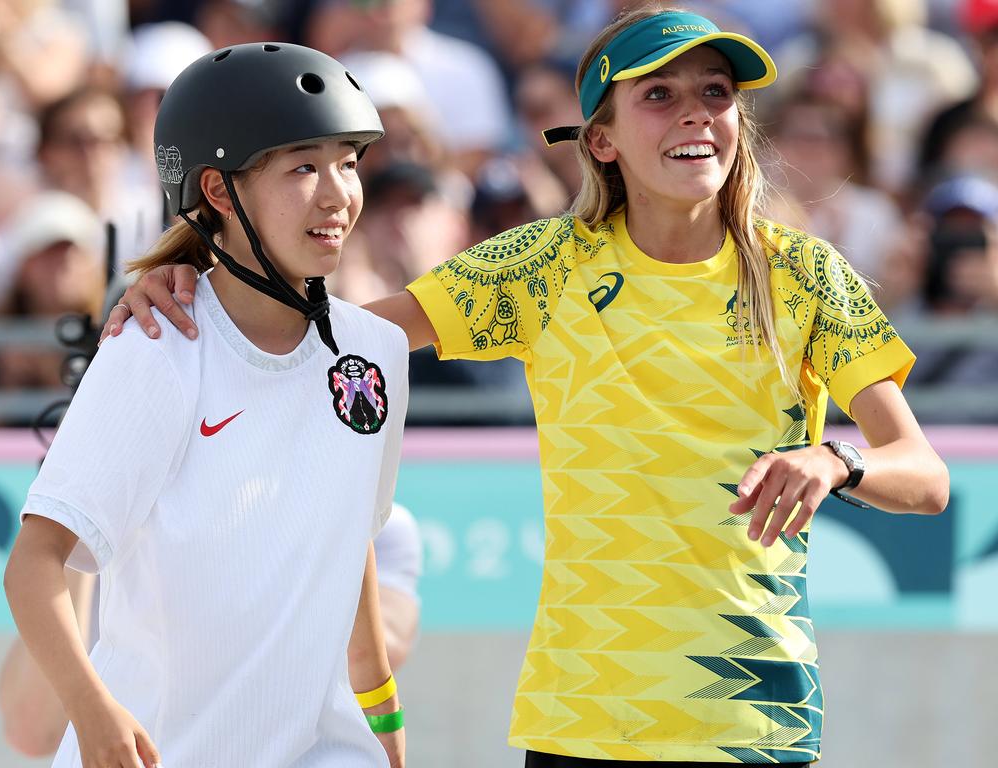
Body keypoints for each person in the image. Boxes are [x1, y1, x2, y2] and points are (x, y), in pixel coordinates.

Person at [106, 6, 950, 766]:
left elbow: (924, 475)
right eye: (659, 94)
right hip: (576, 724)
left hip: (754, 723)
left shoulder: (803, 273)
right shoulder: (550, 265)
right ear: (602, 140)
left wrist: (834, 461)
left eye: (717, 91)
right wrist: (187, 280)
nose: (698, 111)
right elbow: (325, 329)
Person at [4, 43, 408, 768]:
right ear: (219, 193)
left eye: (348, 161)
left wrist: (385, 726)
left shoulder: (376, 352)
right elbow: (33, 564)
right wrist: (93, 712)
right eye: (302, 166)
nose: (336, 193)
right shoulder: (154, 349)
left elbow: (352, 548)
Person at [0, 503, 423, 757]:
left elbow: (376, 650)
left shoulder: (378, 521)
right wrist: (79, 521)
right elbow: (31, 731)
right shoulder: (139, 507)